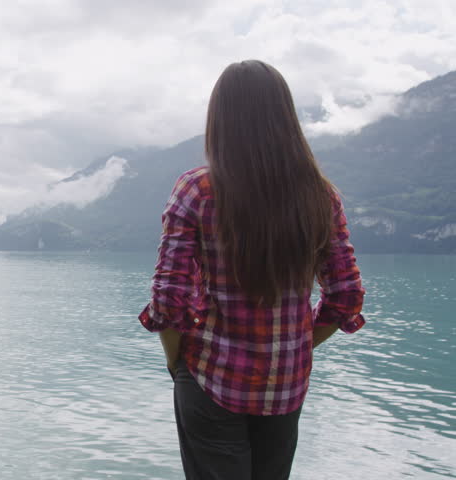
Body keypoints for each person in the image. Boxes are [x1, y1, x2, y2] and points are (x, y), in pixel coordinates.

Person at [137, 59, 366, 480]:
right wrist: (296, 347)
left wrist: (177, 364)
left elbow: (167, 302)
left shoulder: (197, 189)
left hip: (210, 377)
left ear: (219, 121)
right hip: (286, 385)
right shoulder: (321, 196)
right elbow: (346, 296)